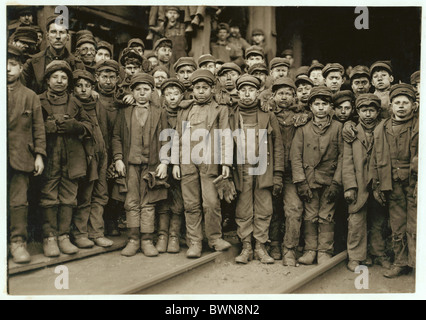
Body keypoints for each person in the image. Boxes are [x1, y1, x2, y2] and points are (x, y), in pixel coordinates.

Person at [172, 69, 233, 258]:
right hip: (188, 161)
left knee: (211, 203)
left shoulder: (220, 109)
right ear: (192, 90)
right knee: (191, 204)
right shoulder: (185, 109)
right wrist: (175, 162)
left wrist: (226, 162)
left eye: (205, 88)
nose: (200, 91)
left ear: (212, 89)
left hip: (210, 161)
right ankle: (195, 242)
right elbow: (177, 136)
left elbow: (226, 135)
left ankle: (214, 238)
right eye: (197, 88)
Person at [38, 60, 92, 257]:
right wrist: (47, 127)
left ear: (68, 81)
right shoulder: (38, 100)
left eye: (64, 77)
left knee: (69, 197)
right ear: (47, 80)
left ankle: (63, 236)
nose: (59, 81)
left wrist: (76, 126)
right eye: (55, 77)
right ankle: (49, 237)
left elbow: (90, 126)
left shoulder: (76, 102)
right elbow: (31, 127)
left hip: (72, 159)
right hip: (50, 157)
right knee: (49, 197)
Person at [112, 73, 169, 257]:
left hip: (151, 166)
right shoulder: (125, 112)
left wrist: (164, 162)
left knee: (148, 202)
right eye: (138, 90)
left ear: (152, 92)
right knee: (131, 201)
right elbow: (116, 137)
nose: (142, 93)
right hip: (130, 166)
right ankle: (133, 239)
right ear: (132, 92)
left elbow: (166, 138)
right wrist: (118, 158)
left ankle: (146, 240)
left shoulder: (159, 112)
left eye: (146, 89)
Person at [229, 74, 284, 264]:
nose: (246, 94)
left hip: (263, 169)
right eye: (243, 90)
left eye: (251, 90)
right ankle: (246, 247)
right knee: (243, 208)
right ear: (237, 92)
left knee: (264, 207)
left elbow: (278, 147)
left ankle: (261, 246)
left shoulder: (268, 115)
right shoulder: (231, 114)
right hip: (241, 168)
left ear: (257, 92)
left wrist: (277, 174)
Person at [369, 83, 418, 278]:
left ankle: (417, 263)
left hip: (415, 184)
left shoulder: (418, 125)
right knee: (398, 225)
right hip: (394, 184)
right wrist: (377, 184)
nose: (401, 106)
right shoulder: (382, 128)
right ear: (390, 106)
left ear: (413, 106)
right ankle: (401, 262)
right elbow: (375, 158)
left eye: (406, 102)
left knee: (415, 224)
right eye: (397, 102)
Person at [290, 86, 343, 265]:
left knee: (326, 215)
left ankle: (324, 251)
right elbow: (295, 156)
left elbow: (344, 156)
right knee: (310, 215)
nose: (320, 108)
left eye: (324, 104)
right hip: (309, 179)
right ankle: (310, 249)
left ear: (330, 107)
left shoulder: (338, 127)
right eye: (316, 104)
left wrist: (337, 182)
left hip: (329, 179)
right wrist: (300, 181)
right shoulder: (302, 128)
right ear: (310, 107)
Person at [343, 93, 391, 272]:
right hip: (359, 184)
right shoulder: (351, 132)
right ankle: (356, 256)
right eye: (364, 110)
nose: (368, 114)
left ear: (378, 111)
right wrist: (349, 186)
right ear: (358, 112)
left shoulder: (385, 129)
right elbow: (347, 162)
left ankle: (378, 253)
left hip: (378, 182)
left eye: (372, 110)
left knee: (379, 220)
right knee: (356, 220)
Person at [7, 45, 46, 263]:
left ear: (21, 68)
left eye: (12, 65)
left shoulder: (30, 96)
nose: (7, 69)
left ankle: (18, 243)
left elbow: (38, 128)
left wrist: (39, 155)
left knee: (19, 202)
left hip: (22, 158)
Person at [71, 70, 113, 249]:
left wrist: (108, 157)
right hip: (85, 158)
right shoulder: (73, 106)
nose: (83, 90)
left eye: (87, 86)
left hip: (101, 156)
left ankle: (96, 232)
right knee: (85, 196)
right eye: (79, 86)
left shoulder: (98, 105)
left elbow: (106, 133)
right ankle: (80, 233)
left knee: (100, 194)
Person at [268, 77, 304, 265]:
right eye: (280, 93)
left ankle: (289, 249)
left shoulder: (302, 116)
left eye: (288, 94)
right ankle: (273, 244)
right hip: (270, 171)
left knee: (294, 209)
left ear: (294, 96)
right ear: (273, 96)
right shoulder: (267, 113)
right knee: (272, 209)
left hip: (292, 172)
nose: (284, 97)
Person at [155, 78, 186, 253]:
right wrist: (163, 162)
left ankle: (174, 235)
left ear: (182, 95)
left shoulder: (186, 113)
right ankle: (162, 235)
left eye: (176, 94)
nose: (172, 98)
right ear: (163, 96)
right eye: (168, 94)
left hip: (181, 163)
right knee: (162, 199)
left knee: (179, 200)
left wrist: (177, 163)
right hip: (161, 161)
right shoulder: (159, 114)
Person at [93, 59, 123, 236]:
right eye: (104, 77)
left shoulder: (122, 100)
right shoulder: (92, 99)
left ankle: (112, 221)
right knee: (99, 186)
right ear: (97, 78)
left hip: (117, 150)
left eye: (112, 77)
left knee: (115, 188)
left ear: (118, 79)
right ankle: (97, 225)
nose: (108, 81)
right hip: (99, 149)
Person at [22, 14, 85, 94]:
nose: (58, 36)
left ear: (68, 37)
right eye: (53, 32)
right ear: (47, 36)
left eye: (61, 32)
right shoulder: (32, 62)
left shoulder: (77, 65)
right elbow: (22, 90)